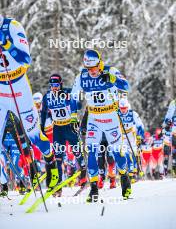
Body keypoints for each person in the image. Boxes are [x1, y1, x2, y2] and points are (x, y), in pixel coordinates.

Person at [0, 15, 58, 189]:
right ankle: (3, 181)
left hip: (19, 88)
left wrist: (8, 45)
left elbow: (26, 59)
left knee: (34, 137)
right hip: (1, 92)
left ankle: (51, 163)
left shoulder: (12, 26)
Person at [71, 49, 131, 201]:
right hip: (94, 119)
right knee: (91, 152)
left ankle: (124, 178)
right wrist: (73, 116)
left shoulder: (111, 70)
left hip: (111, 118)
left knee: (117, 153)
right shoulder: (82, 77)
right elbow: (73, 97)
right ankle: (93, 189)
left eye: (93, 68)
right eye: (88, 68)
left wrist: (112, 79)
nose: (91, 71)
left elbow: (126, 86)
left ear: (99, 63)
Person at [41, 74, 87, 196]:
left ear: (60, 84)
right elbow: (43, 113)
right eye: (52, 85)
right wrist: (41, 127)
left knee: (77, 152)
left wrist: (74, 102)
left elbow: (78, 105)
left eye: (56, 85)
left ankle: (83, 175)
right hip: (57, 129)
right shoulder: (47, 97)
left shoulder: (67, 93)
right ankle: (58, 186)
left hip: (69, 127)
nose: (54, 88)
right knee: (58, 157)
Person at [118, 97, 144, 182]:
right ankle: (130, 172)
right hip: (122, 135)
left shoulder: (133, 114)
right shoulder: (117, 113)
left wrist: (139, 136)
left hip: (131, 134)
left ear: (127, 107)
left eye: (125, 108)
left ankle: (136, 170)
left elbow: (140, 126)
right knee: (125, 153)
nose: (123, 110)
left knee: (134, 152)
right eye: (122, 108)